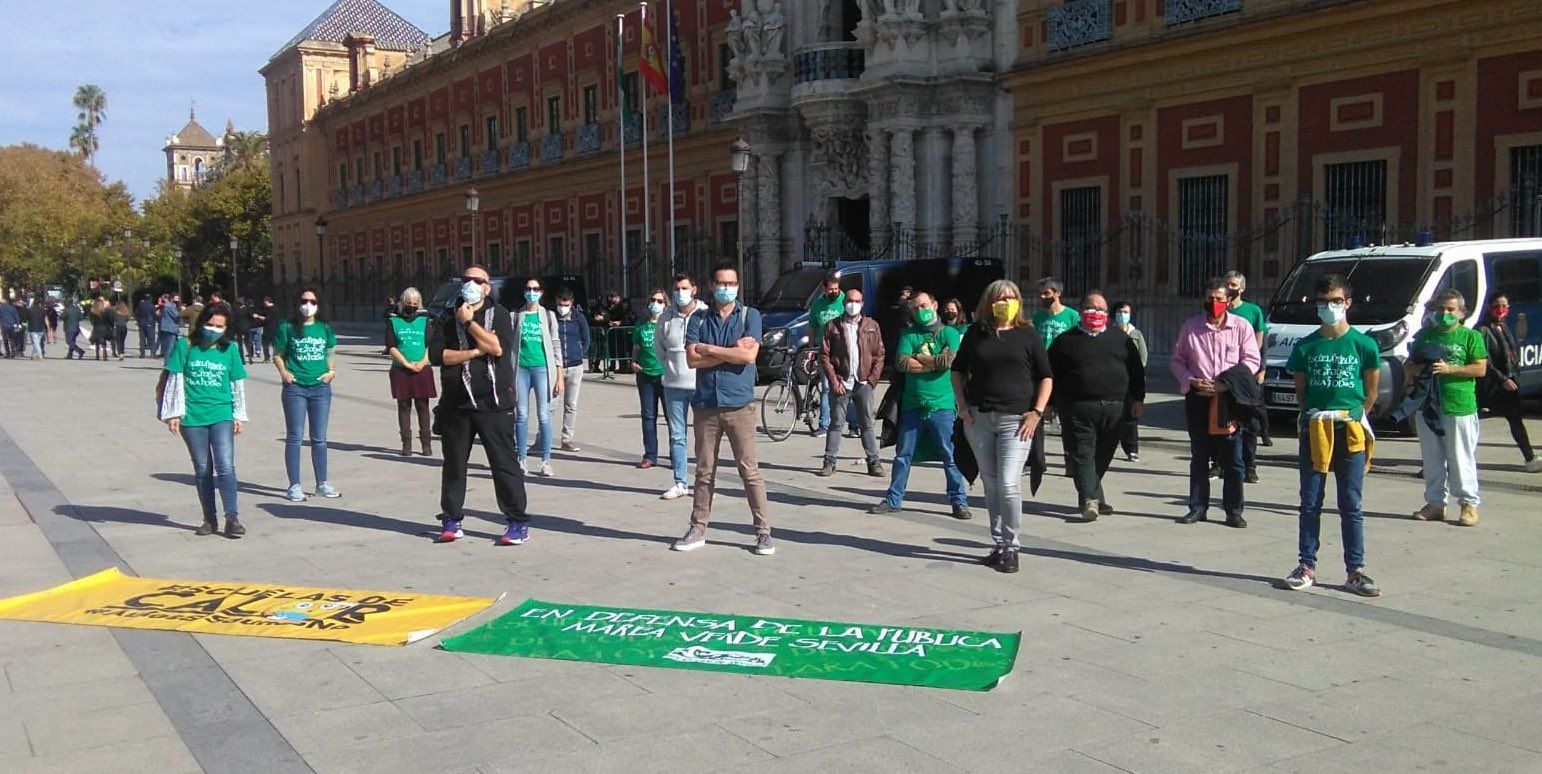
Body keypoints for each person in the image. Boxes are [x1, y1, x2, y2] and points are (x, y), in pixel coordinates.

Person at [1281, 273, 1381, 596]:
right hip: (1315, 429)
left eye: (1335, 301)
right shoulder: (1306, 346)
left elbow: (1371, 391)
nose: (1329, 307)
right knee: (1310, 501)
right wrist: (1314, 415)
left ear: (1347, 303)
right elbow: (1301, 392)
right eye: (1323, 302)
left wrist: (1355, 413)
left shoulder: (1364, 345)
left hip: (1349, 428)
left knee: (1351, 502)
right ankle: (1306, 564)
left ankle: (1356, 570)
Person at [672, 264, 773, 555]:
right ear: (711, 285)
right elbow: (692, 361)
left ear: (738, 285)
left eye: (731, 283)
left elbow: (748, 356)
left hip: (739, 404)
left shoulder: (749, 315)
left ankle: (763, 532)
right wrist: (730, 351)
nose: (725, 287)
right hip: (705, 405)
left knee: (748, 470)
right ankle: (698, 528)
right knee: (704, 471)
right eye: (720, 282)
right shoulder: (699, 318)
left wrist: (711, 349)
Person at [953, 280, 1052, 572]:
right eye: (1000, 298)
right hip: (980, 418)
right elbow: (957, 370)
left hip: (1017, 420)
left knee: (1009, 483)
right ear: (989, 302)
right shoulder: (976, 333)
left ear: (1019, 302)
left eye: (1011, 298)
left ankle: (1012, 546)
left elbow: (1046, 376)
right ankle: (998, 543)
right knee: (991, 483)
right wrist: (962, 406)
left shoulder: (1028, 334)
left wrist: (1037, 412)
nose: (1005, 303)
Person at [427, 265, 530, 545]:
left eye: (477, 280)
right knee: (454, 465)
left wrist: (470, 324)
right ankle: (451, 519)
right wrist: (473, 351)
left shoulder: (500, 314)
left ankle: (517, 521)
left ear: (487, 287)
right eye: (466, 280)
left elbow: (497, 348)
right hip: (456, 404)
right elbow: (438, 355)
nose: (470, 284)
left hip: (494, 403)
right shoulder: (448, 316)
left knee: (503, 463)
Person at [870, 292, 971, 520]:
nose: (920, 311)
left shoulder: (950, 333)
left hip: (943, 406)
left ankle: (959, 502)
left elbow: (950, 361)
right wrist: (934, 364)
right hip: (912, 405)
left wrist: (921, 358)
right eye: (915, 308)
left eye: (923, 306)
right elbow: (902, 362)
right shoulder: (909, 333)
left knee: (950, 456)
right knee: (903, 455)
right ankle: (894, 499)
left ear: (935, 305)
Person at [1171, 276, 1261, 527]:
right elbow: (1178, 360)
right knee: (1199, 455)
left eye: (1219, 299)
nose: (1214, 303)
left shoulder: (1242, 327)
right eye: (1210, 299)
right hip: (1199, 398)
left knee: (1233, 459)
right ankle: (1198, 507)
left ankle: (1233, 510)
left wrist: (1228, 383)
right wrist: (1190, 380)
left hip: (1228, 401)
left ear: (1229, 301)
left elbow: (1252, 360)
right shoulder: (1191, 327)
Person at [1050, 292, 1147, 522]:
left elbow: (1136, 372)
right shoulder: (1065, 342)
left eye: (1102, 309)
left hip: (1115, 408)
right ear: (1082, 310)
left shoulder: (1121, 340)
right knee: (1083, 454)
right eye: (1092, 308)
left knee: (1103, 455)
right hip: (1078, 409)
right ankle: (1090, 501)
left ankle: (1094, 492)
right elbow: (1050, 374)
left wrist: (1138, 399)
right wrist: (1050, 404)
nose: (1097, 313)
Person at [157, 302, 249, 537]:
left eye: (220, 326)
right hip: (193, 417)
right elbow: (175, 379)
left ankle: (232, 517)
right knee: (202, 469)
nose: (214, 329)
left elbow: (236, 384)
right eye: (210, 324)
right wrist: (173, 413)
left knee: (226, 466)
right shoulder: (185, 346)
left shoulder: (230, 350)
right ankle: (209, 518)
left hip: (222, 414)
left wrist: (238, 414)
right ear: (201, 323)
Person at [1406, 289, 1488, 526]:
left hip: (1458, 405)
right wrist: (1413, 370)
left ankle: (1468, 504)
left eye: (1450, 310)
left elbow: (1480, 369)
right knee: (1432, 458)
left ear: (1461, 313)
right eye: (1441, 309)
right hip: (1428, 404)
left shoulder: (1470, 337)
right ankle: (1435, 504)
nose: (1445, 313)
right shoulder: (1425, 336)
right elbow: (1410, 364)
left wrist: (1450, 370)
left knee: (1460, 457)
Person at [272, 288, 341, 502]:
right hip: (296, 388)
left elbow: (330, 350)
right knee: (294, 437)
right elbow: (278, 354)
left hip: (320, 387)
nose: (308, 305)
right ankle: (294, 485)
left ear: (319, 305)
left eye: (312, 301)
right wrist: (284, 373)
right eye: (304, 300)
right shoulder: (287, 327)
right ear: (297, 303)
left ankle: (322, 483)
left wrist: (331, 371)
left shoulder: (325, 328)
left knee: (319, 438)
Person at [818, 287, 885, 478]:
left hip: (863, 382)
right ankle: (829, 462)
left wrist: (872, 380)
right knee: (836, 423)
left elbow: (880, 354)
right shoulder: (833, 326)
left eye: (856, 301)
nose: (852, 305)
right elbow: (824, 355)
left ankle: (874, 462)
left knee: (867, 424)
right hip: (841, 382)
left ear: (862, 303)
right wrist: (834, 380)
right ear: (844, 303)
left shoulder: (872, 325)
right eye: (849, 301)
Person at [1477, 293, 1542, 472]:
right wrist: (1502, 379)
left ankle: (1530, 458)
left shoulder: (1503, 326)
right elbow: (1484, 361)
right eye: (1496, 306)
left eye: (1504, 306)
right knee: (1471, 423)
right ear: (1488, 308)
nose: (1500, 310)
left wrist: (1512, 376)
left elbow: (1509, 353)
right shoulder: (1481, 330)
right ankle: (1444, 461)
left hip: (1507, 381)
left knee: (1515, 419)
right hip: (1492, 385)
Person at [655, 273, 706, 500]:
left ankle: (705, 485)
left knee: (705, 436)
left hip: (700, 383)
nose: (680, 292)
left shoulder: (705, 314)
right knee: (677, 435)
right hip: (673, 384)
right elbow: (659, 348)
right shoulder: (666, 317)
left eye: (684, 288)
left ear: (694, 289)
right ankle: (680, 482)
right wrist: (669, 366)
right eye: (676, 288)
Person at [513, 277, 564, 477]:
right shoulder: (516, 315)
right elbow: (509, 344)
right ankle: (521, 459)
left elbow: (556, 344)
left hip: (543, 369)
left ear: (541, 292)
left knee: (544, 415)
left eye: (535, 289)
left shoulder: (548, 316)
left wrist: (559, 376)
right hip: (521, 369)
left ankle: (546, 460)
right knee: (522, 415)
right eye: (528, 289)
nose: (532, 292)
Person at [1225, 270, 1270, 482]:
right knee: (1224, 422)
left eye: (1233, 285)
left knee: (1250, 424)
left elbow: (1261, 343)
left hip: (1246, 374)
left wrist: (1261, 369)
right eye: (1227, 284)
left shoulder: (1253, 311)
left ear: (1242, 288)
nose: (1229, 288)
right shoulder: (1219, 308)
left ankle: (1250, 466)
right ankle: (1221, 464)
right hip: (1224, 377)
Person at [387, 287, 436, 457]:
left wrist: (422, 362)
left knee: (423, 406)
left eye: (415, 304)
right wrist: (406, 363)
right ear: (402, 303)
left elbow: (431, 344)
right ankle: (406, 444)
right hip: (401, 369)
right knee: (404, 405)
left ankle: (426, 444)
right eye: (409, 303)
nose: (412, 306)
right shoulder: (393, 321)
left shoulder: (424, 320)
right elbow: (391, 347)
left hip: (422, 368)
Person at [806, 272, 846, 434]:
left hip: (844, 352)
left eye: (836, 289)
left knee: (848, 387)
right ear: (824, 289)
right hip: (824, 351)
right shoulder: (817, 305)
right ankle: (824, 424)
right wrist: (810, 347)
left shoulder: (845, 301)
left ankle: (854, 424)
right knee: (827, 387)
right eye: (830, 289)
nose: (834, 292)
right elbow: (813, 327)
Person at [633, 290, 668, 468]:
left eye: (659, 301)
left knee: (671, 417)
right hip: (645, 376)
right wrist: (634, 362)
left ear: (665, 304)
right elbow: (637, 347)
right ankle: (650, 455)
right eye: (652, 300)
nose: (655, 303)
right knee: (648, 416)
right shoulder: (641, 325)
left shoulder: (667, 324)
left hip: (665, 375)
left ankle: (676, 456)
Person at [554, 289, 590, 452]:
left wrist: (580, 352)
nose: (563, 307)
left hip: (575, 366)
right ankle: (541, 438)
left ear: (572, 303)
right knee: (550, 404)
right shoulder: (551, 317)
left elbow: (586, 337)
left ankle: (567, 439)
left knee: (571, 405)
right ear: (556, 302)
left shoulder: (578, 317)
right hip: (556, 367)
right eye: (561, 304)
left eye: (566, 304)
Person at [1113, 300, 1148, 462]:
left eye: (1126, 312)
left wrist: (1136, 372)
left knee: (1131, 416)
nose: (1123, 315)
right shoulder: (1109, 333)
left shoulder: (1136, 334)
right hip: (1113, 381)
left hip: (1131, 381)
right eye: (1120, 312)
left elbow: (1143, 356)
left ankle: (1131, 448)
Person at [1031, 277, 1081, 346]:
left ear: (1058, 293)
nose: (1042, 296)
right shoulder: (1037, 318)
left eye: (1046, 293)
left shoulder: (1073, 316)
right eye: (1040, 293)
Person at [159, 294, 183, 362]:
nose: (177, 300)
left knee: (171, 347)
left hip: (169, 328)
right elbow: (176, 315)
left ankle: (170, 363)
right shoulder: (170, 306)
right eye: (176, 299)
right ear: (172, 299)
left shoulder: (170, 306)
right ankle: (168, 363)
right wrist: (183, 311)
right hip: (170, 329)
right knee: (170, 347)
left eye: (178, 299)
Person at [89, 296, 111, 361]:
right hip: (104, 328)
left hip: (96, 328)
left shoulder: (93, 312)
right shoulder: (106, 311)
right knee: (103, 342)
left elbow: (91, 321)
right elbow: (109, 319)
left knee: (97, 342)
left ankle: (97, 355)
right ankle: (104, 355)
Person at [231, 297, 252, 365]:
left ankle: (242, 359)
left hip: (239, 328)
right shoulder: (247, 309)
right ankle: (250, 357)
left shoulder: (236, 311)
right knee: (248, 343)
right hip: (247, 328)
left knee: (240, 344)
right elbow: (251, 317)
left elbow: (233, 320)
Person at [247, 298, 267, 363]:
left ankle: (251, 352)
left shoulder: (247, 310)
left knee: (250, 340)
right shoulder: (258, 309)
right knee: (258, 340)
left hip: (250, 326)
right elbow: (264, 315)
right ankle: (258, 351)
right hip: (258, 326)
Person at [260, 296, 279, 362]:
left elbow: (267, 319)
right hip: (275, 329)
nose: (264, 304)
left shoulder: (269, 309)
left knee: (265, 344)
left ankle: (267, 358)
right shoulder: (277, 309)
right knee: (275, 345)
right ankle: (276, 358)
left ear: (267, 301)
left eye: (264, 302)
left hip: (268, 329)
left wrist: (259, 317)